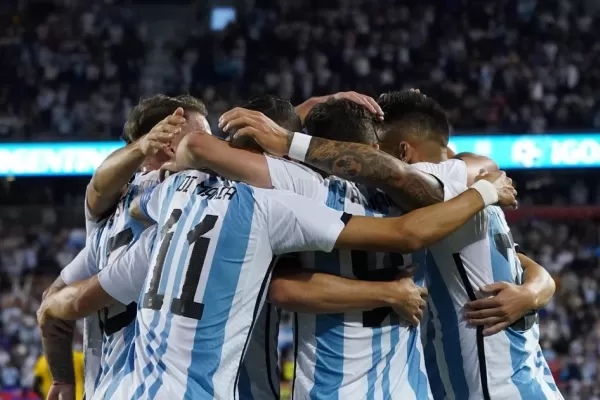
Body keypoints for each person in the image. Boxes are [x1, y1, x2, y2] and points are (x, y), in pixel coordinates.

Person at [37, 159, 517, 399]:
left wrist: (62, 375)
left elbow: (58, 306)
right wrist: (484, 191)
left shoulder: (166, 210)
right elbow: (406, 233)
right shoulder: (271, 207)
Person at [218, 91, 560, 399]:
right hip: (506, 384)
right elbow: (518, 258)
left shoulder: (431, 188)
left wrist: (288, 139)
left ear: (400, 152)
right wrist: (536, 288)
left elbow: (393, 178)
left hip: (492, 390)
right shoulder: (463, 194)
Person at [38, 94, 209, 399]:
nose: (213, 145)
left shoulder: (107, 224)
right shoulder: (197, 195)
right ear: (169, 143)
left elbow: (50, 306)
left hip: (105, 388)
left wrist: (62, 379)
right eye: (204, 136)